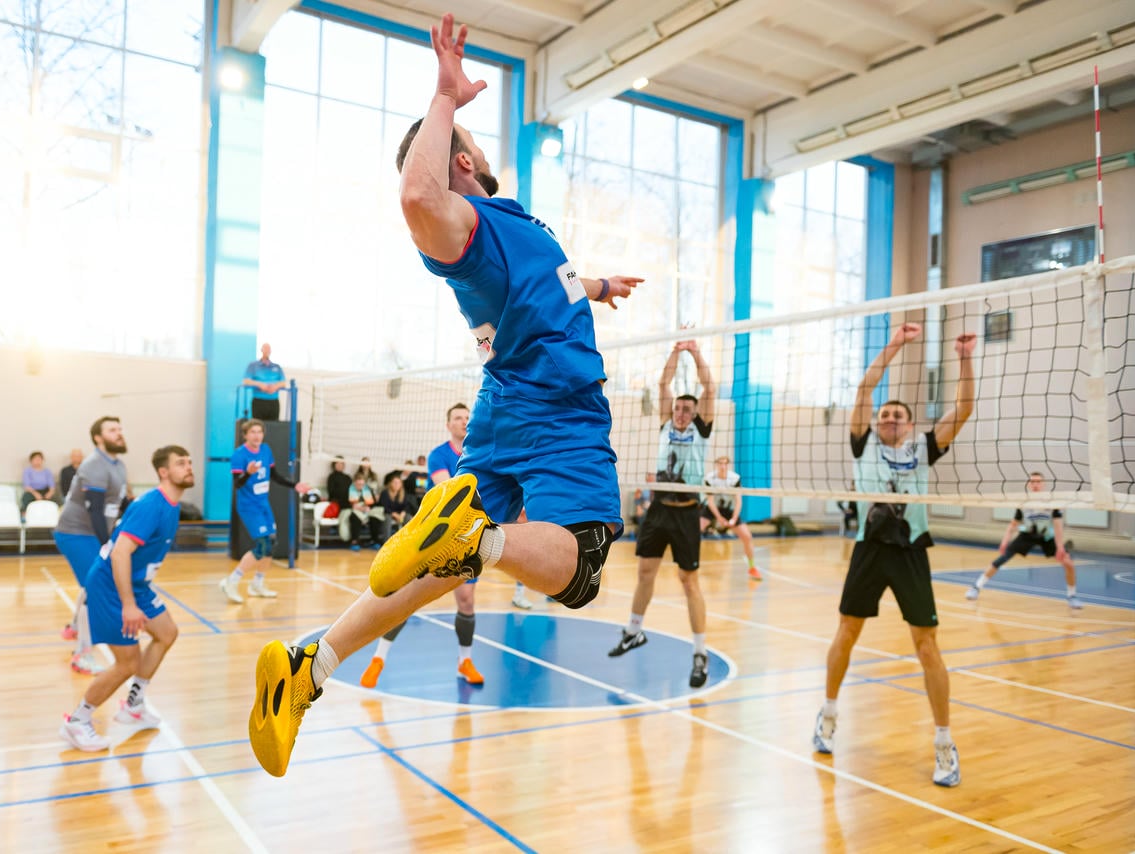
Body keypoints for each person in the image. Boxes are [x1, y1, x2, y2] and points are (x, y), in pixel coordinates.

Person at [247, 13, 640, 778]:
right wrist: (445, 97)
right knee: (582, 567)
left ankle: (309, 666)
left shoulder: (512, 227)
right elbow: (417, 196)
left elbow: (552, 285)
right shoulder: (469, 226)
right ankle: (476, 537)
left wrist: (598, 286)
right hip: (555, 404)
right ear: (464, 158)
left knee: (438, 569)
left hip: (505, 405)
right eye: (472, 145)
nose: (481, 151)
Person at [812, 322, 976, 788]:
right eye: (884, 414)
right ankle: (828, 714)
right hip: (869, 550)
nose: (888, 419)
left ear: (909, 424)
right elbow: (864, 389)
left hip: (910, 552)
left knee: (926, 645)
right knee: (847, 633)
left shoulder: (924, 447)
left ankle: (944, 743)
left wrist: (964, 358)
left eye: (897, 415)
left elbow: (964, 409)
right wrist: (895, 344)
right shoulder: (863, 444)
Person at [58, 445, 195, 751]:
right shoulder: (151, 505)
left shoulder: (172, 505)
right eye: (181, 463)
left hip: (137, 583)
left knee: (166, 633)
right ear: (163, 472)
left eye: (189, 462)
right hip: (110, 586)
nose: (189, 467)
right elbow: (120, 553)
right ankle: (77, 721)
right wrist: (129, 605)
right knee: (127, 663)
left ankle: (134, 706)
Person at [608, 340, 716, 688]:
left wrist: (694, 352)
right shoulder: (666, 424)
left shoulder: (700, 429)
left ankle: (700, 652)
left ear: (696, 413)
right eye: (678, 408)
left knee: (688, 581)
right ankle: (633, 631)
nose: (681, 412)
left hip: (686, 513)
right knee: (644, 572)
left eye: (687, 409)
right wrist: (676, 350)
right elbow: (663, 383)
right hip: (658, 511)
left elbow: (709, 387)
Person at [360, 403, 483, 687]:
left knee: (466, 600)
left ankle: (465, 661)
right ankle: (378, 658)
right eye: (458, 418)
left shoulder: (478, 453)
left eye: (467, 417)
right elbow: (452, 493)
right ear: (448, 424)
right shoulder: (439, 455)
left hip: (465, 539)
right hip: (434, 539)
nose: (463, 421)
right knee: (407, 599)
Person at [54, 416, 129, 675]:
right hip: (76, 533)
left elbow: (120, 504)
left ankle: (75, 627)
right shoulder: (94, 465)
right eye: (112, 430)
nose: (119, 433)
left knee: (91, 584)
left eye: (119, 429)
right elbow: (95, 510)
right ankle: (82, 655)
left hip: (92, 533)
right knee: (96, 587)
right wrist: (106, 546)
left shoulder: (118, 465)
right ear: (98, 438)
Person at [220, 419, 307, 603]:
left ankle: (257, 584)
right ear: (245, 435)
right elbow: (237, 484)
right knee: (262, 545)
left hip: (263, 504)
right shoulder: (239, 455)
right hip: (249, 506)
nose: (257, 435)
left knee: (271, 543)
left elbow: (274, 475)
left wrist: (294, 485)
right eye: (252, 432)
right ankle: (231, 581)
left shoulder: (266, 450)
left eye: (259, 432)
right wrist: (248, 473)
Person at [966, 472, 1080, 608]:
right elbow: (1013, 524)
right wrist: (1005, 541)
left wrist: (1060, 547)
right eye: (1032, 482)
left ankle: (1072, 596)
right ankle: (976, 587)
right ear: (1029, 485)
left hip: (1046, 537)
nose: (1035, 484)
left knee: (1068, 563)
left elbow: (1058, 525)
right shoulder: (1023, 502)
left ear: (1043, 484)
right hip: (1027, 535)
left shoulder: (1052, 502)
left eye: (1038, 481)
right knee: (1000, 560)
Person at [702, 455, 762, 580]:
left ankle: (752, 568)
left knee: (747, 536)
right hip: (713, 509)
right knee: (693, 530)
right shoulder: (710, 478)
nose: (723, 466)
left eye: (725, 464)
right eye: (720, 463)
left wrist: (734, 518)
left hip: (729, 510)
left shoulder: (735, 478)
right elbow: (710, 502)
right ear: (716, 465)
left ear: (728, 465)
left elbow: (738, 501)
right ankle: (688, 565)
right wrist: (719, 518)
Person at [342, 471, 386, 550]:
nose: (360, 486)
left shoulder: (368, 490)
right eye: (358, 484)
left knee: (375, 517)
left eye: (362, 484)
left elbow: (373, 503)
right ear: (354, 482)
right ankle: (354, 541)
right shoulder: (348, 490)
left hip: (367, 510)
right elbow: (343, 503)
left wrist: (368, 507)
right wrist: (354, 506)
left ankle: (375, 540)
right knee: (354, 517)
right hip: (354, 510)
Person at [243, 342, 286, 420]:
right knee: (257, 423)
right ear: (261, 350)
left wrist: (275, 387)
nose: (267, 350)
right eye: (265, 348)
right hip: (258, 401)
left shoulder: (277, 367)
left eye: (268, 349)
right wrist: (260, 385)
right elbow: (246, 381)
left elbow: (283, 383)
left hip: (273, 401)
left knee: (274, 424)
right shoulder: (253, 366)